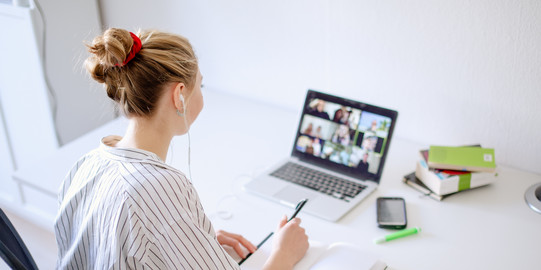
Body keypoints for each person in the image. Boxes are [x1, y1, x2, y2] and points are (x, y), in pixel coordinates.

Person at [54, 28, 308, 270]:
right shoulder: (157, 188)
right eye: (200, 85)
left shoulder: (86, 164)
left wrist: (191, 243)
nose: (202, 94)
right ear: (180, 95)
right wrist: (284, 253)